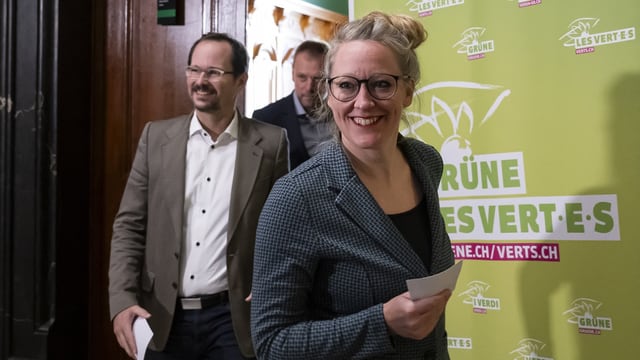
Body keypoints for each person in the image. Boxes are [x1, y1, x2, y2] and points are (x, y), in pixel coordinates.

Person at [250, 11, 455, 359]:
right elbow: (272, 345)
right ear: (328, 93)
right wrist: (383, 323)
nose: (363, 102)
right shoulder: (297, 197)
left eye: (381, 84)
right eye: (346, 85)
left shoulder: (426, 163)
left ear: (407, 91)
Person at [108, 32, 289, 360]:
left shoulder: (271, 144)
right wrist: (121, 301)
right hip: (161, 316)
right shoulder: (156, 137)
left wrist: (274, 286)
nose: (201, 81)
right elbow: (129, 226)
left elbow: (285, 229)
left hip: (233, 320)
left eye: (214, 72)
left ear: (241, 80)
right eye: (194, 70)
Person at [252, 40, 333, 169]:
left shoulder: (343, 113)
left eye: (317, 79)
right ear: (292, 74)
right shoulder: (266, 118)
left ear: (330, 78)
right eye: (302, 77)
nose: (309, 87)